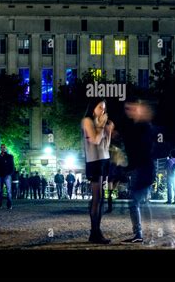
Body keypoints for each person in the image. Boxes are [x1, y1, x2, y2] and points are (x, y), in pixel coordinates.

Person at [121, 99, 156, 244]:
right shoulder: (138, 126)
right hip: (141, 169)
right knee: (139, 201)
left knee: (135, 201)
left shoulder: (143, 127)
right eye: (127, 108)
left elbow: (140, 149)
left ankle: (140, 234)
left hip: (143, 169)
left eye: (131, 108)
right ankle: (143, 234)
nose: (128, 111)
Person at [81, 99, 114, 244]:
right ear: (93, 108)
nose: (103, 110)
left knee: (100, 198)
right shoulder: (87, 121)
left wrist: (109, 131)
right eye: (100, 107)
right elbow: (94, 140)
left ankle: (95, 232)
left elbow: (105, 145)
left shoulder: (101, 123)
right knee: (97, 197)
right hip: (94, 161)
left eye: (104, 108)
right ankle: (95, 232)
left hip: (103, 160)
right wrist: (101, 126)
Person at [0, 144, 15, 210]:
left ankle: (9, 205)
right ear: (0, 149)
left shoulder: (10, 156)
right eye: (1, 147)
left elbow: (12, 166)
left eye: (4, 147)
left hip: (7, 175)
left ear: (6, 149)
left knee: (8, 191)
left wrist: (9, 174)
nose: (2, 148)